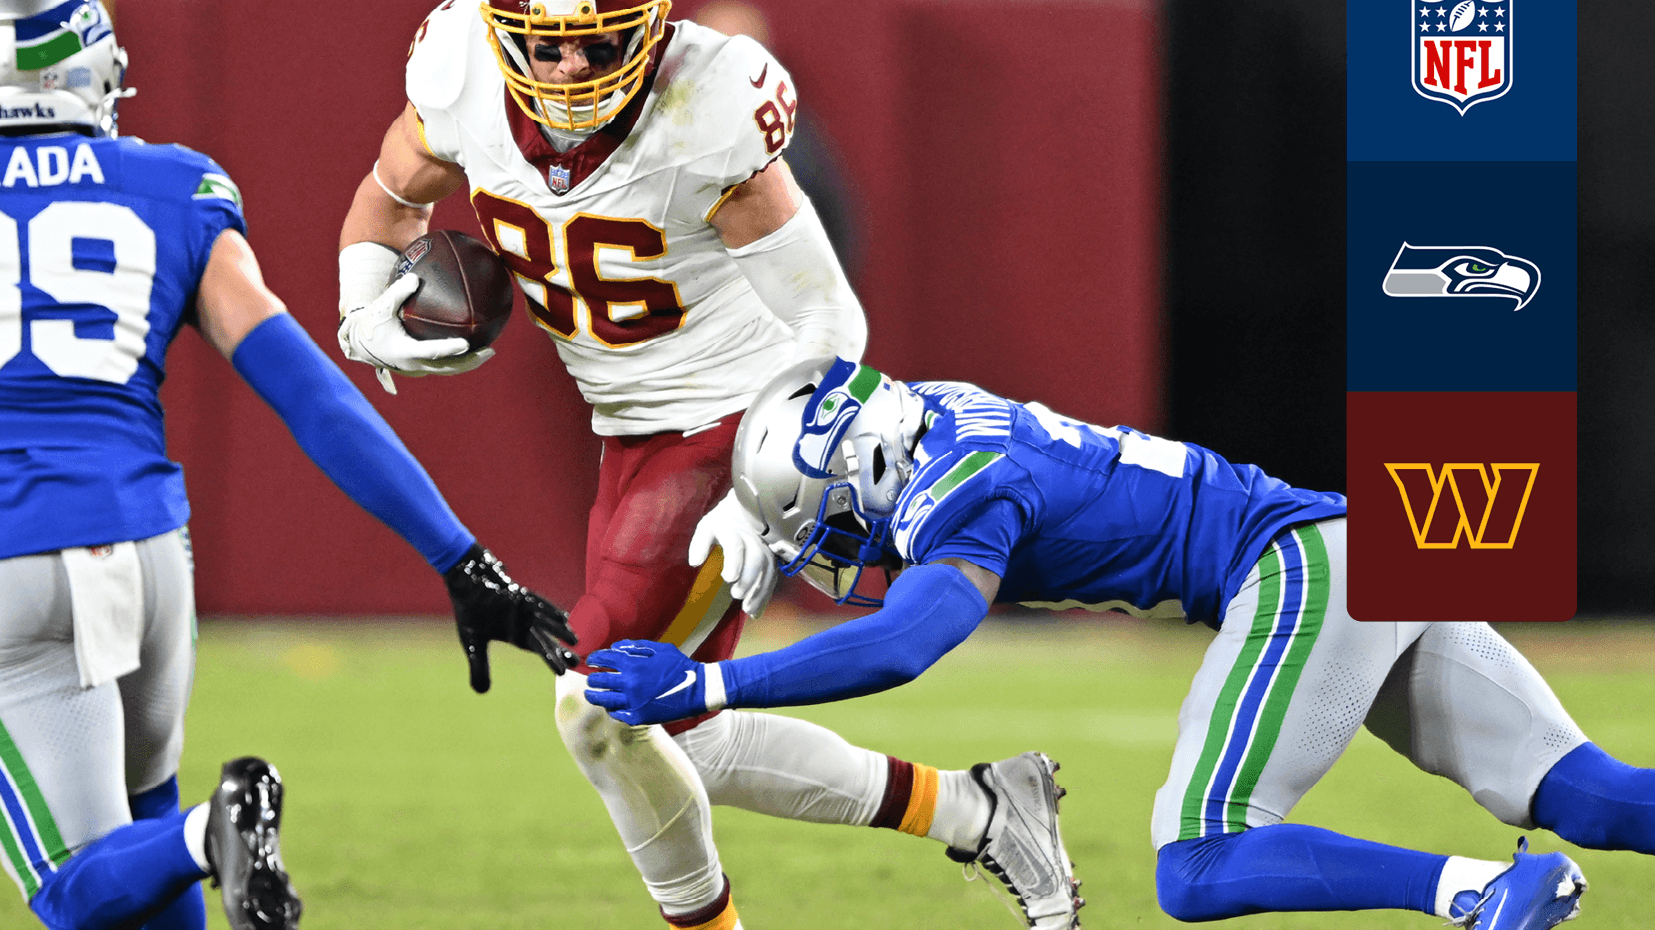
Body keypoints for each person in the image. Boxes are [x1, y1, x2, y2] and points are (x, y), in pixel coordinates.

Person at [0, 0, 576, 930]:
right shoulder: (170, 187)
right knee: (146, 825)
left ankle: (215, 828)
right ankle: (203, 833)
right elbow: (307, 392)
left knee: (76, 885)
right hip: (146, 555)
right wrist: (459, 556)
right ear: (92, 69)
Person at [333, 0, 1077, 930]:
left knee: (597, 705)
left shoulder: (704, 105)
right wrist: (363, 301)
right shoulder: (457, 73)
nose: (570, 70)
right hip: (631, 437)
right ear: (499, 29)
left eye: (598, 41)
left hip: (734, 421)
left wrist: (764, 485)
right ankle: (982, 811)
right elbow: (391, 195)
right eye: (545, 45)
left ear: (650, 22)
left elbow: (829, 317)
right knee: (682, 732)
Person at [584, 356, 1655, 929]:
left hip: (1302, 567)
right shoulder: (933, 414)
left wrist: (712, 684)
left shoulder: (964, 487)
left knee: (1198, 861)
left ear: (864, 467)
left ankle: (1479, 894)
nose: (838, 548)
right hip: (1355, 545)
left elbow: (909, 642)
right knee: (1591, 796)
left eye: (829, 519)